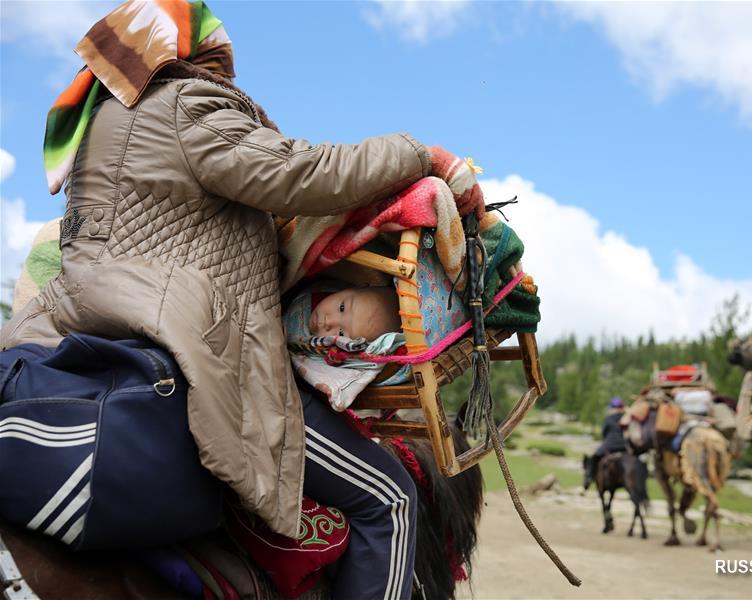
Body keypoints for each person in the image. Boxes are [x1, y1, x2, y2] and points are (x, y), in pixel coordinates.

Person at [0, 2, 483, 598]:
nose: (227, 69)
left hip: (87, 332)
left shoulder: (105, 127)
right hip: (185, 348)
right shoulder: (184, 104)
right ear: (188, 52)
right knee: (391, 497)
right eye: (218, 54)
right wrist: (422, 156)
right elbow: (299, 174)